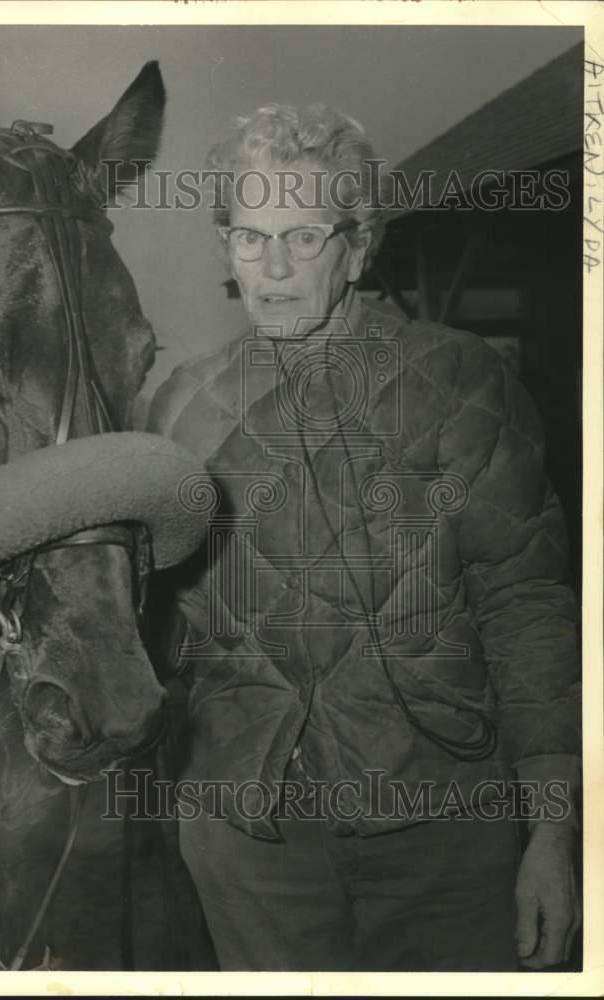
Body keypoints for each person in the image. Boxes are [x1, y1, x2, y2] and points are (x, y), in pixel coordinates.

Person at [147, 103, 581, 972]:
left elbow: (525, 607)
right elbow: (158, 624)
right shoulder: (177, 406)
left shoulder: (460, 380)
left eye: (303, 237)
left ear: (358, 246)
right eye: (247, 236)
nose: (271, 268)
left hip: (444, 828)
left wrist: (556, 829)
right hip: (252, 839)